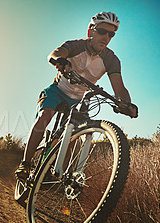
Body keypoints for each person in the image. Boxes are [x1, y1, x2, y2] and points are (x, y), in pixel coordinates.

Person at [15, 11, 138, 180]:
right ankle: (25, 164)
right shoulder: (76, 45)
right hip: (58, 90)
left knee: (75, 136)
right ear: (91, 31)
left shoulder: (111, 60)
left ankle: (57, 174)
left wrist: (127, 104)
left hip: (79, 100)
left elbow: (120, 89)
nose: (106, 37)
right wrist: (61, 60)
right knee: (45, 116)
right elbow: (56, 53)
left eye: (111, 34)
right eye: (102, 31)